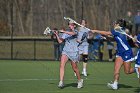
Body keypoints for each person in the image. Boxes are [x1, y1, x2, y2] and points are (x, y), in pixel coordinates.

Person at [91, 19, 135, 90]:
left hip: (127, 52)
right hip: (120, 52)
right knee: (116, 69)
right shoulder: (119, 30)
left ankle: (137, 69)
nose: (114, 24)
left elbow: (106, 32)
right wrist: (106, 37)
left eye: (115, 23)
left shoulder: (117, 30)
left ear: (118, 24)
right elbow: (115, 38)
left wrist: (95, 31)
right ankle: (115, 84)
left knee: (127, 71)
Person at [54, 20, 83, 88]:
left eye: (71, 24)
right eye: (69, 24)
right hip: (66, 51)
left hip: (73, 52)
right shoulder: (66, 33)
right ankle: (61, 82)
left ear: (74, 25)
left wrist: (63, 31)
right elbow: (60, 41)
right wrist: (57, 35)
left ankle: (79, 80)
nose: (70, 25)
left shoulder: (76, 31)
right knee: (62, 65)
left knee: (75, 68)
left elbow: (73, 34)